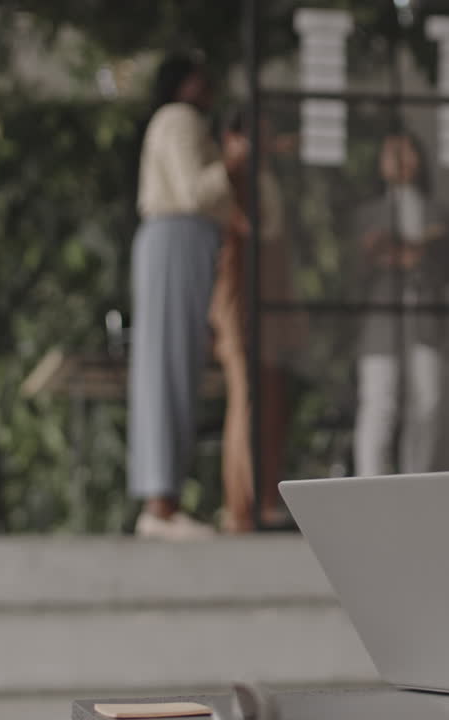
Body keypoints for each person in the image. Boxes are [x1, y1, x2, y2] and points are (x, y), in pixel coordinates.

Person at [128, 52, 246, 540]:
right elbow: (194, 191)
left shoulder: (180, 120)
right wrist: (232, 163)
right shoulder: (178, 119)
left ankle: (165, 499)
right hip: (177, 234)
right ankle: (160, 504)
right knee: (167, 366)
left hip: (186, 240)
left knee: (178, 365)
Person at [208, 107, 297, 532]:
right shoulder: (229, 179)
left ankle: (265, 495)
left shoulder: (270, 181)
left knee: (271, 396)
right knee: (244, 396)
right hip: (239, 298)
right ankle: (240, 505)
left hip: (270, 296)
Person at [352, 132, 449, 477]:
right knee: (379, 404)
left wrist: (417, 256)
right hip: (383, 322)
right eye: (391, 152)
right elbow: (354, 273)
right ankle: (370, 488)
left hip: (425, 317)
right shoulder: (367, 215)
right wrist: (377, 254)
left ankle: (416, 483)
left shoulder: (439, 212)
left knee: (426, 404)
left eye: (407, 151)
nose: (399, 159)